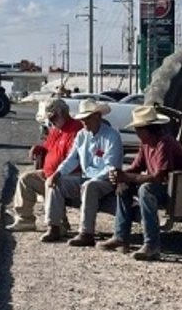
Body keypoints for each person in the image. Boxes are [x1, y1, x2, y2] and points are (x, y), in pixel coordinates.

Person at [98, 105, 182, 260]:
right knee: (124, 187)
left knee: (146, 190)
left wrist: (125, 176)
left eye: (138, 129)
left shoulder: (164, 143)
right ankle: (121, 236)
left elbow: (158, 176)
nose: (136, 132)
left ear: (147, 129)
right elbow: (137, 167)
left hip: (181, 189)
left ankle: (152, 245)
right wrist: (119, 175)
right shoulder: (147, 143)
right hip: (168, 186)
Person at [43, 99, 123, 246]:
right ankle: (54, 226)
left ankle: (86, 233)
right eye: (82, 119)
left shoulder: (112, 136)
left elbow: (111, 166)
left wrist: (91, 180)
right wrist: (58, 173)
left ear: (98, 117)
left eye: (87, 119)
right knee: (57, 182)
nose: (84, 122)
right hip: (85, 178)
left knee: (89, 186)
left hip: (106, 180)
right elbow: (72, 159)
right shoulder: (81, 135)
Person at [6, 98, 83, 232]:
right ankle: (25, 220)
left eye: (53, 117)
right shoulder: (55, 130)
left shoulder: (76, 130)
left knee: (52, 185)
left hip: (67, 176)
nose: (51, 121)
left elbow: (72, 159)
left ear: (63, 113)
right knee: (25, 179)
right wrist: (39, 149)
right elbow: (48, 148)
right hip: (49, 174)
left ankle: (58, 224)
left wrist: (56, 174)